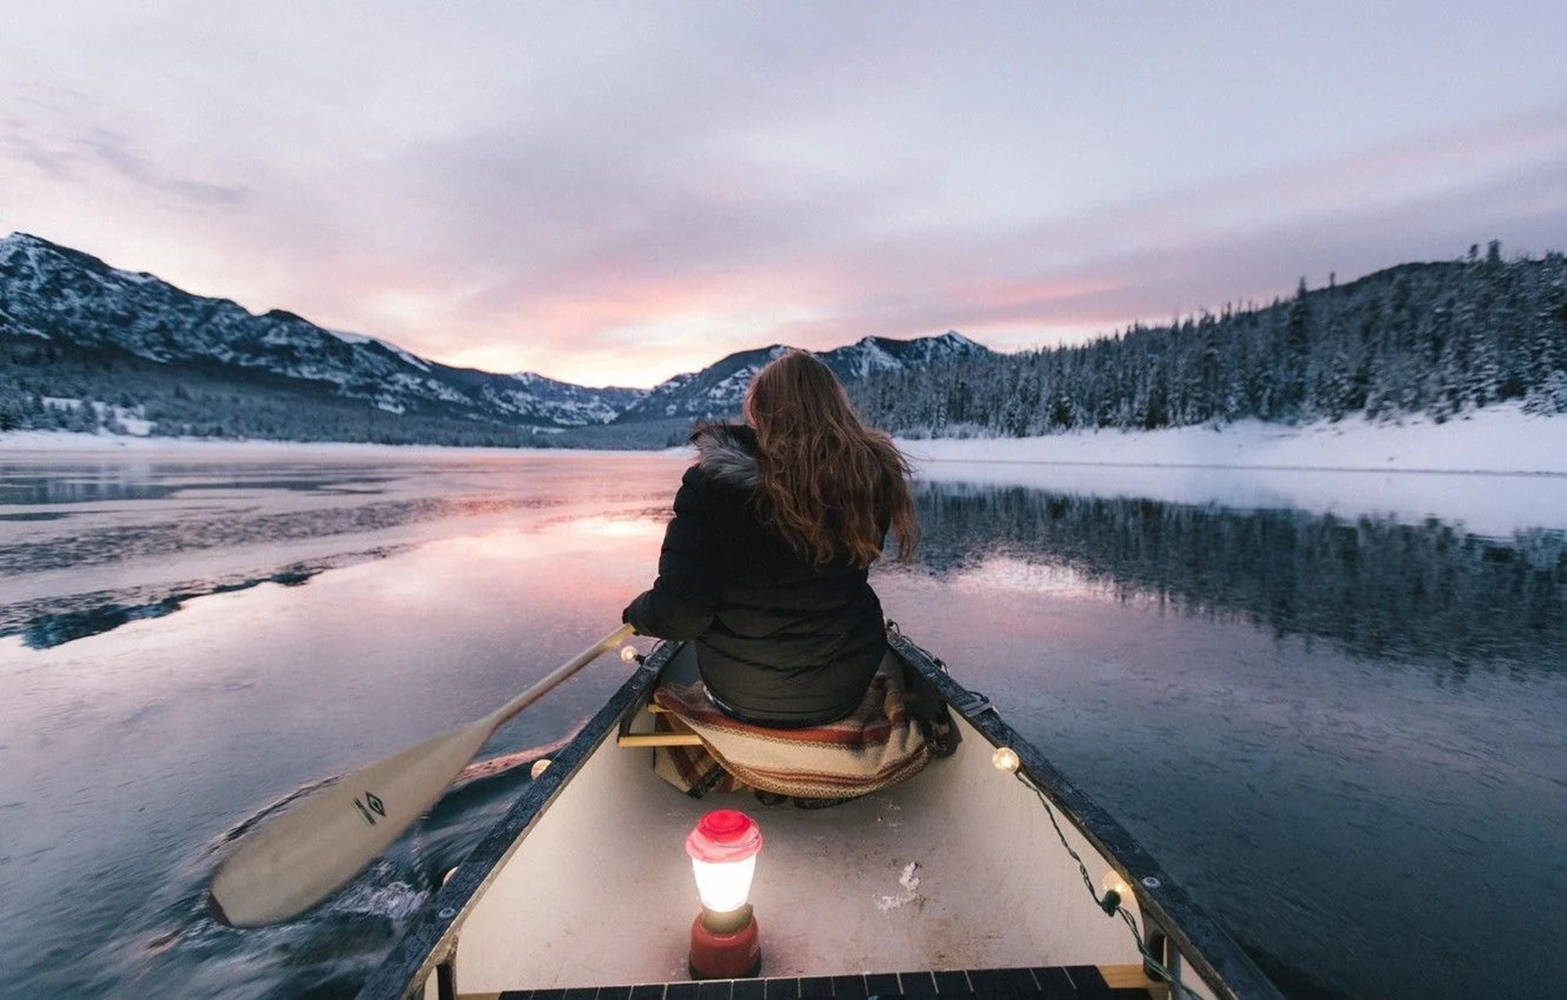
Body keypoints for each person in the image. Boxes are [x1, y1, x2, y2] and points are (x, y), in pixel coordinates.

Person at [622, 350, 918, 728]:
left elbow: (680, 615)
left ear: (759, 413)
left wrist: (637, 613)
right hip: (844, 691)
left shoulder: (712, 486)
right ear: (834, 407)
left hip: (743, 695)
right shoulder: (865, 482)